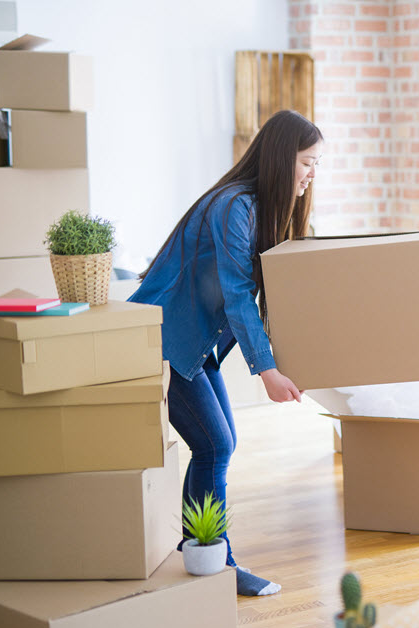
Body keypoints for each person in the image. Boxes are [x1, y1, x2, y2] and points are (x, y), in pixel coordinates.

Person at [131, 110, 322, 596]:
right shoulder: (234, 207)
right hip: (162, 341)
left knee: (221, 443)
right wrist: (267, 371)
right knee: (214, 445)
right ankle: (218, 564)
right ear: (283, 159)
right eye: (307, 162)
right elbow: (238, 294)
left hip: (196, 344)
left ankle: (195, 549)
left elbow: (281, 287)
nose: (312, 174)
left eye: (317, 163)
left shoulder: (263, 208)